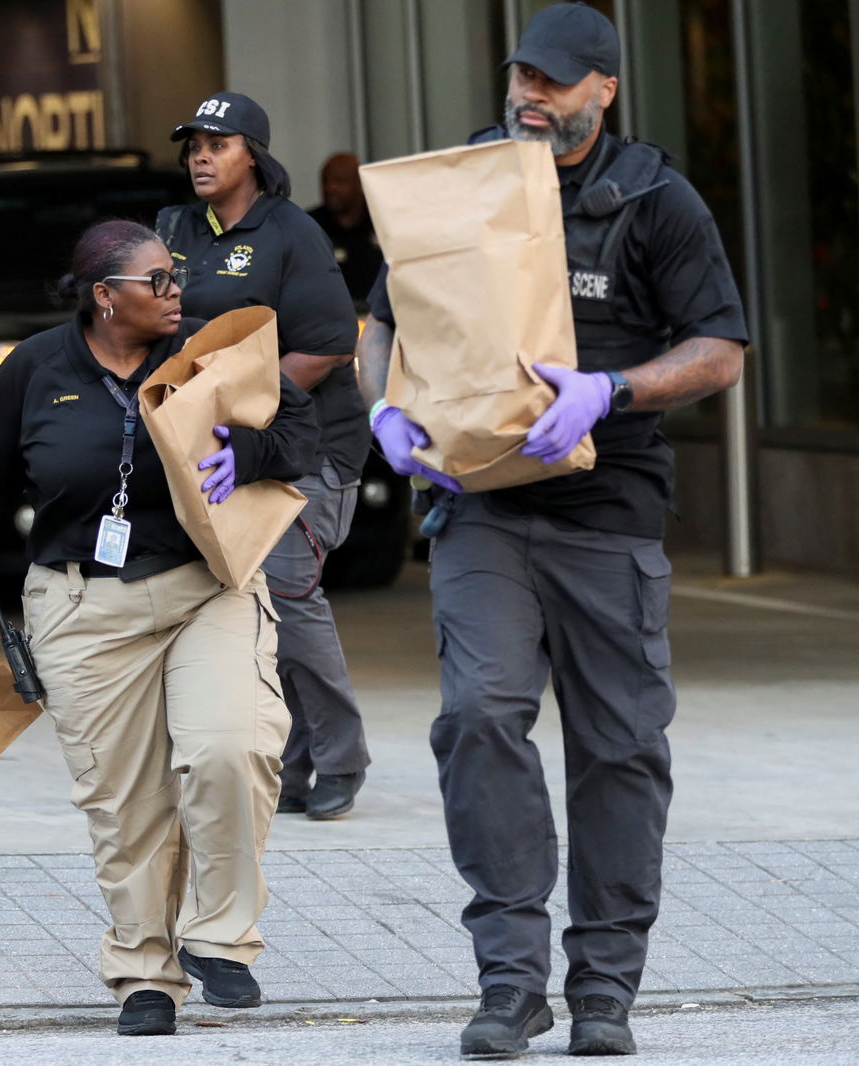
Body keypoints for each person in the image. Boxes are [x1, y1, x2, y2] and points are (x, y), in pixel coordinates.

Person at [356, 4, 747, 1056]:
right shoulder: (466, 181)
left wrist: (611, 388)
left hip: (608, 510)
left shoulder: (656, 200)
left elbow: (719, 350)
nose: (530, 95)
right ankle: (509, 979)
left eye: (554, 81)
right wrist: (383, 408)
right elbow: (382, 313)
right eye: (520, 76)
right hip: (483, 509)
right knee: (478, 715)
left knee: (618, 748)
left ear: (603, 90)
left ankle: (605, 988)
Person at [0, 220, 314, 1037]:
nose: (176, 293)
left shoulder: (210, 349)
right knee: (126, 804)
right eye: (156, 282)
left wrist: (251, 454)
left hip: (210, 586)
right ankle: (145, 974)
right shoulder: (34, 369)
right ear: (104, 297)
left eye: (176, 278)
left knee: (235, 746)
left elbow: (308, 432)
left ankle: (220, 939)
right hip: (84, 607)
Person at [155, 92, 372, 822]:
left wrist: (238, 398)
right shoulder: (174, 228)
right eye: (193, 145)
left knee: (284, 587)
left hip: (308, 447)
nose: (201, 156)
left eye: (218, 143)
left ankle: (342, 755)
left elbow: (330, 346)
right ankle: (297, 754)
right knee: (242, 600)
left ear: (255, 154)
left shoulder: (289, 232)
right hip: (218, 449)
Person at [306, 152, 384, 306]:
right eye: (326, 182)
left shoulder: (381, 221)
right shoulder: (309, 225)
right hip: (329, 318)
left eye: (340, 181)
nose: (331, 188)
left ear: (359, 183)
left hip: (379, 318)